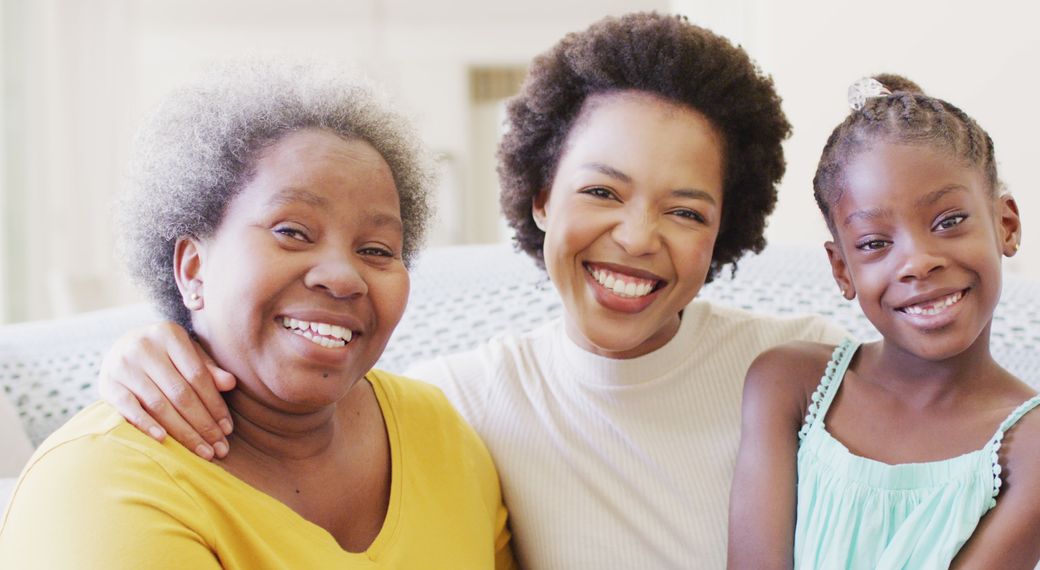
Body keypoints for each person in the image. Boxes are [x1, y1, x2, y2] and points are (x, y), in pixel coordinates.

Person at [96, 13, 844, 568]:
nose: (639, 236)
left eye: (686, 211)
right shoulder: (464, 403)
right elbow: (310, 398)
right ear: (542, 198)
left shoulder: (803, 366)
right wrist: (148, 349)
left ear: (725, 230)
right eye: (602, 191)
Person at [0, 61, 515, 569]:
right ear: (194, 268)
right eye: (292, 231)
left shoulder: (438, 431)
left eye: (378, 249)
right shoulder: (102, 483)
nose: (343, 276)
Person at [727, 75, 1040, 569]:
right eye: (874, 243)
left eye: (948, 221)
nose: (918, 262)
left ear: (1007, 224)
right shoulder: (788, 385)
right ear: (841, 269)